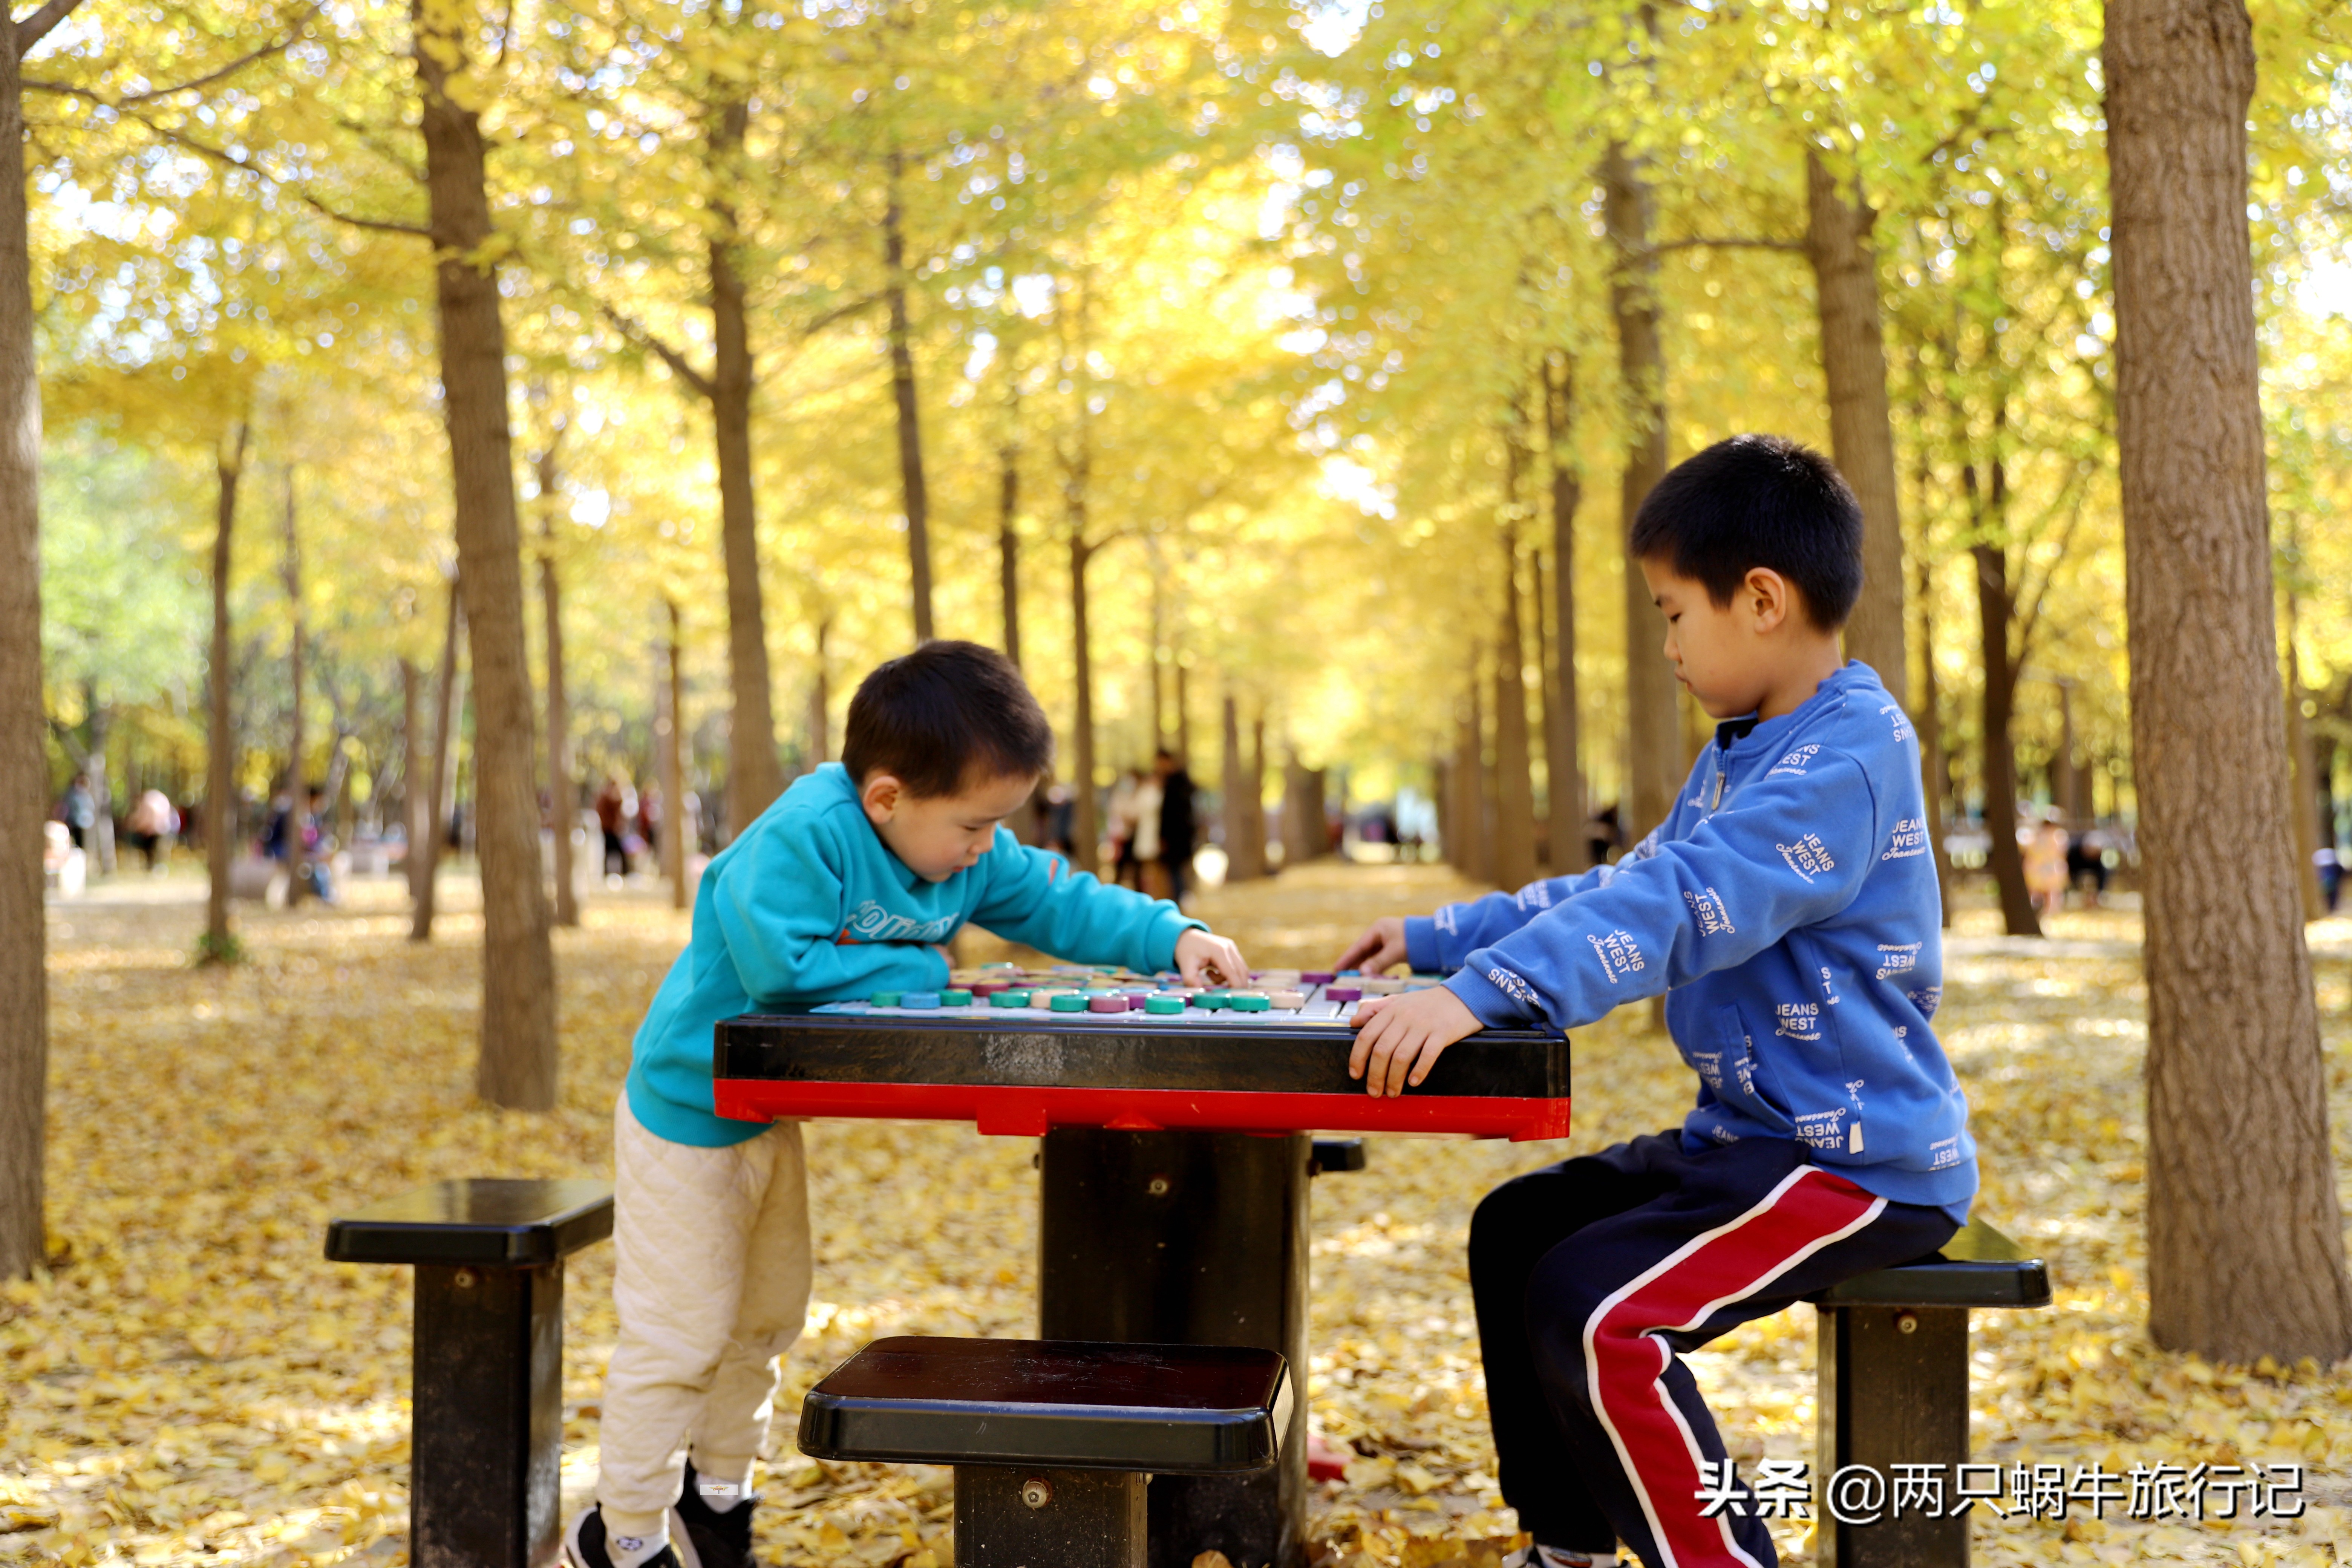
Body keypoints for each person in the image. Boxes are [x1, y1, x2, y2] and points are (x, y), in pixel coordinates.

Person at [1335, 435, 1973, 1568]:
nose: (1667, 643)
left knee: (1600, 1315)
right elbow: (1624, 883)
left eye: (1675, 613)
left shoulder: (1845, 758)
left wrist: (1484, 997)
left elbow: (1683, 903)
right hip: (1750, 1140)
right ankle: (1569, 1545)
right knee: (1519, 1230)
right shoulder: (1745, 753)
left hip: (1856, 1165)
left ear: (1761, 601)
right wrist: (1443, 941)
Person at [564, 640, 1253, 1568]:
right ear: (886, 798)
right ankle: (621, 1535)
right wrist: (925, 965)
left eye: (996, 826)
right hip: (683, 1114)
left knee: (765, 1322)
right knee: (679, 1337)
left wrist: (1174, 934)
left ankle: (716, 1500)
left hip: (765, 1115)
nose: (983, 849)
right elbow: (783, 973)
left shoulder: (964, 847)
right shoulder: (802, 835)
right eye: (974, 827)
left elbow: (1059, 901)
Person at [1155, 748, 1197, 907]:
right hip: (1180, 837)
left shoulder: (1174, 784)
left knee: (1175, 873)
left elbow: (1171, 814)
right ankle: (1179, 901)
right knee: (1175, 873)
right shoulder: (1180, 783)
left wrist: (1164, 836)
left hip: (1176, 838)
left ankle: (1178, 903)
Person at [125, 788, 177, 872]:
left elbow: (147, 820)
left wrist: (141, 827)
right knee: (152, 850)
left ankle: (157, 866)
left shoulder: (149, 804)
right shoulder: (152, 801)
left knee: (157, 849)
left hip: (158, 831)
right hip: (157, 831)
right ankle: (153, 866)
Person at [596, 776, 631, 881]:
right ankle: (623, 872)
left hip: (610, 829)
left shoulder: (606, 797)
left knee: (613, 852)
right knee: (617, 851)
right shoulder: (607, 797)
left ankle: (613, 872)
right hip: (610, 829)